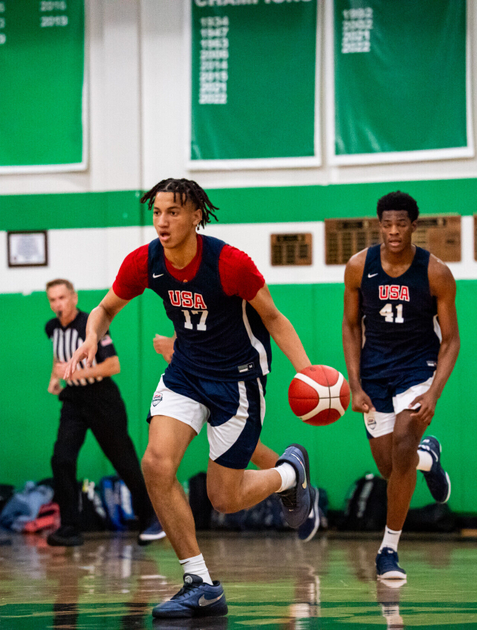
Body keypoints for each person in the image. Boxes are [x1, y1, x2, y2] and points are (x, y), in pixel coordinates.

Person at [66, 178, 317, 619]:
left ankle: (289, 474)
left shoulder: (231, 264)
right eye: (157, 212)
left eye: (173, 212)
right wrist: (91, 336)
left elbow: (274, 318)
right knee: (155, 464)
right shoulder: (145, 261)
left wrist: (307, 371)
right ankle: (199, 582)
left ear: (196, 216)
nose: (162, 222)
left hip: (238, 380)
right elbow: (104, 309)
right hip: (185, 373)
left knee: (224, 499)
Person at [342, 191, 460, 581]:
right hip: (375, 373)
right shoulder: (359, 267)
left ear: (413, 225)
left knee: (404, 444)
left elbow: (451, 340)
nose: (394, 231)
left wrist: (433, 392)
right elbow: (350, 326)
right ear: (379, 225)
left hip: (416, 369)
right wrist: (355, 385)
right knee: (391, 468)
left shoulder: (435, 272)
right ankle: (429, 459)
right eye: (387, 224)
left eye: (401, 224)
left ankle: (388, 550)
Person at [152, 332, 322, 541]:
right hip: (197, 376)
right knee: (250, 451)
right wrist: (176, 344)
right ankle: (298, 484)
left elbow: (272, 319)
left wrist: (307, 372)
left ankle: (297, 484)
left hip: (234, 376)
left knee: (251, 452)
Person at [42, 278, 164, 548]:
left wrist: (74, 373)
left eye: (62, 298)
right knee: (61, 459)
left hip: (102, 399)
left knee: (123, 460)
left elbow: (113, 365)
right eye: (53, 299)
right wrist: (54, 378)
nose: (58, 304)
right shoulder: (52, 328)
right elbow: (59, 358)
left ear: (74, 298)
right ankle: (70, 527)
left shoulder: (92, 325)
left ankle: (150, 518)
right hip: (73, 400)